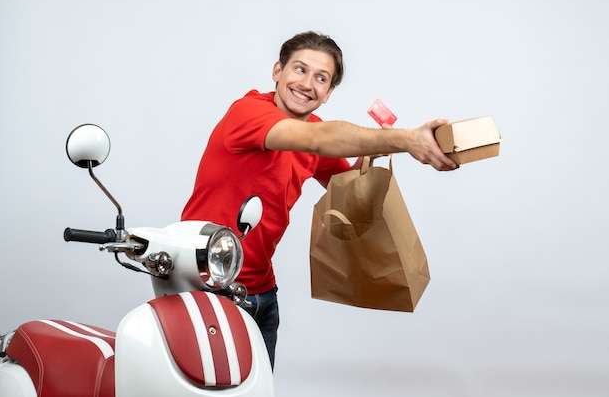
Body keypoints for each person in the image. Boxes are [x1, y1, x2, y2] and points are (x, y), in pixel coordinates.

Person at [181, 31, 458, 369]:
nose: (307, 83)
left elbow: (349, 194)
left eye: (321, 78)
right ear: (277, 71)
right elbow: (316, 140)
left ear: (328, 93)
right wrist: (406, 139)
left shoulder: (315, 129)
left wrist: (375, 149)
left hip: (261, 289)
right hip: (206, 283)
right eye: (299, 69)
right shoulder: (248, 113)